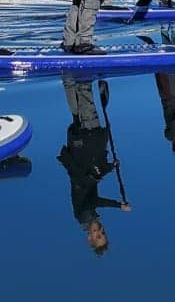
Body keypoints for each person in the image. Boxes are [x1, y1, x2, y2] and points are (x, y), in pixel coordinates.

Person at [56, 76, 132, 255]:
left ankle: (83, 72)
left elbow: (91, 193)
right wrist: (110, 167)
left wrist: (118, 205)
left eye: (97, 236)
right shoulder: (87, 216)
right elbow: (92, 183)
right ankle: (68, 74)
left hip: (87, 145)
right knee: (77, 113)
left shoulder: (83, 216)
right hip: (81, 146)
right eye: (103, 233)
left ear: (89, 237)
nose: (100, 231)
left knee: (86, 105)